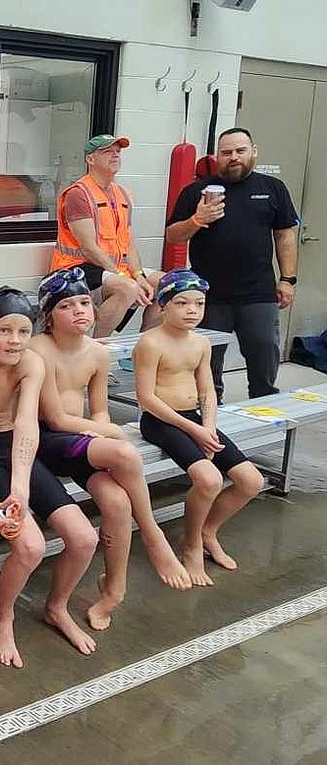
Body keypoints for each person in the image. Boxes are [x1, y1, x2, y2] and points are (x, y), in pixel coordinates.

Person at [28, 267, 191, 630]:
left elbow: (98, 408)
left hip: (78, 442)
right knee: (125, 452)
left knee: (117, 502)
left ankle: (113, 591)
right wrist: (107, 434)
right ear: (50, 315)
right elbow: (54, 418)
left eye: (85, 302)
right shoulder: (38, 351)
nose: (80, 311)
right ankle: (153, 535)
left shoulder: (97, 353)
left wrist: (102, 430)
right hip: (43, 441)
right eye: (67, 306)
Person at [0, 288, 100, 667]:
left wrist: (20, 490)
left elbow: (27, 425)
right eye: (3, 330)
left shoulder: (31, 362)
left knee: (84, 538)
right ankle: (4, 617)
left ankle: (57, 607)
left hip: (16, 450)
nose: (14, 341)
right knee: (30, 546)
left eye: (22, 331)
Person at [133, 270, 266, 587]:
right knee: (209, 479)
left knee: (251, 481)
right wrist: (195, 431)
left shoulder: (202, 343)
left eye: (199, 303)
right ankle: (191, 545)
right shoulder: (151, 343)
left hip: (196, 420)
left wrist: (208, 426)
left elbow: (207, 391)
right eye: (182, 303)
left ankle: (208, 531)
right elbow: (146, 398)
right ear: (163, 305)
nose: (192, 310)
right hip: (161, 421)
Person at [164, 127, 300, 400]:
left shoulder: (272, 188)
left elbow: (285, 235)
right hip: (208, 296)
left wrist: (287, 279)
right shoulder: (197, 192)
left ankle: (262, 415)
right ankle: (209, 420)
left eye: (240, 150)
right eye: (226, 152)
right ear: (217, 156)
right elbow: (172, 236)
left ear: (254, 152)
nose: (233, 157)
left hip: (259, 294)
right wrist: (197, 219)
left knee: (264, 360)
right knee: (206, 365)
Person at [48, 135, 162, 338]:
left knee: (168, 283)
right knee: (127, 288)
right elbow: (88, 248)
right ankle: (98, 349)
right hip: (76, 267)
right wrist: (123, 276)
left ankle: (144, 347)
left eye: (118, 151)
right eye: (108, 151)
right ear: (90, 160)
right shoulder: (79, 193)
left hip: (114, 268)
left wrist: (138, 275)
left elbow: (129, 241)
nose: (115, 155)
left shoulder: (123, 193)